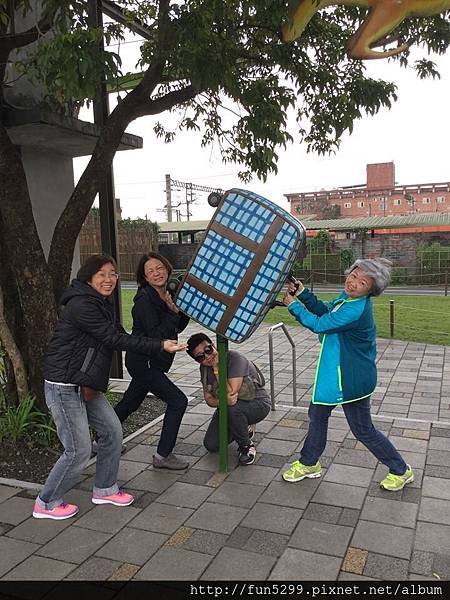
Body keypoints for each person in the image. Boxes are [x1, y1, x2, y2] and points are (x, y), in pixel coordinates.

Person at [33, 254, 185, 520]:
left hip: (85, 384)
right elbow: (113, 338)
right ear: (88, 277)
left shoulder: (101, 303)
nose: (109, 279)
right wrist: (159, 344)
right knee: (78, 450)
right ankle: (46, 502)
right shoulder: (82, 305)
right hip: (64, 385)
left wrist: (161, 337)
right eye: (102, 274)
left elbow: (121, 335)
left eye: (113, 274)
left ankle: (104, 489)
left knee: (113, 431)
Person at [281, 258, 414, 492]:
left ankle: (401, 470)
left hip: (351, 380)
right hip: (335, 376)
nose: (353, 283)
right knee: (317, 415)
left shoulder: (356, 309)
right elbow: (325, 310)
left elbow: (321, 324)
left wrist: (294, 306)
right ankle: (309, 462)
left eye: (362, 282)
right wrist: (302, 292)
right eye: (353, 276)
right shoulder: (348, 299)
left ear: (371, 290)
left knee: (363, 430)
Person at [113, 252, 190, 470]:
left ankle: (101, 440)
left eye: (159, 268)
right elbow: (158, 335)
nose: (156, 273)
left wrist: (175, 311)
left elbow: (177, 326)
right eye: (150, 271)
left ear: (167, 268)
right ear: (144, 278)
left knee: (131, 401)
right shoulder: (144, 302)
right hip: (144, 361)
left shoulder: (167, 294)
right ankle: (163, 455)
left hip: (152, 361)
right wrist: (172, 313)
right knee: (178, 401)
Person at [186, 333, 271, 465]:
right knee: (211, 445)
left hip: (257, 403)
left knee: (232, 407)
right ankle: (243, 428)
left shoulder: (235, 358)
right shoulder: (203, 369)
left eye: (208, 350)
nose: (207, 357)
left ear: (213, 345)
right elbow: (208, 399)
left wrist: (216, 369)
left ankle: (246, 446)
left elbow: (230, 392)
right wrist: (221, 402)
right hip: (229, 407)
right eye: (200, 357)